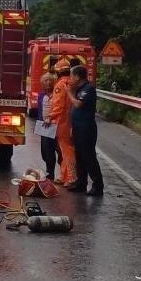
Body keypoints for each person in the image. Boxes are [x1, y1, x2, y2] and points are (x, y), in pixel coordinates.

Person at [65, 65, 104, 196]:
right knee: (79, 157)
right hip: (77, 127)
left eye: (71, 76)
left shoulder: (88, 89)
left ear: (77, 76)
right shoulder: (79, 89)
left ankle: (98, 186)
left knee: (89, 156)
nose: (70, 79)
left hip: (86, 128)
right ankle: (81, 183)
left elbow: (77, 104)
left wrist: (69, 92)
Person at [49, 59, 77, 187]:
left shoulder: (60, 85)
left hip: (62, 122)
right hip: (71, 121)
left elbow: (58, 105)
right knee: (66, 150)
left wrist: (49, 117)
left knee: (67, 151)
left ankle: (71, 177)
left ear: (58, 72)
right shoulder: (72, 82)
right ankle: (64, 176)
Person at [38, 72, 61, 181]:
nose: (48, 83)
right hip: (44, 126)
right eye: (46, 81)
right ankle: (49, 172)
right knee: (45, 151)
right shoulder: (41, 95)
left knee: (57, 151)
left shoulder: (56, 94)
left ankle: (60, 174)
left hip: (55, 125)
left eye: (50, 81)